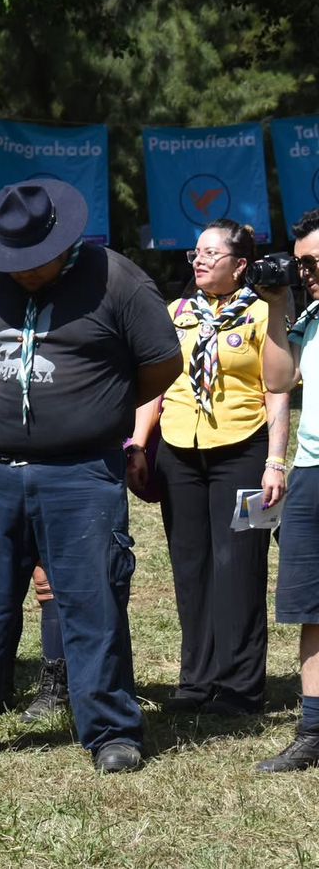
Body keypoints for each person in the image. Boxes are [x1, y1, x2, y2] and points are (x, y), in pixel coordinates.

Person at [0, 179, 181, 774]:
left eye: (34, 260)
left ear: (63, 242)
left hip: (82, 474)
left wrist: (96, 406)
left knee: (92, 602)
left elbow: (161, 364)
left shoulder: (118, 280)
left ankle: (110, 731)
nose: (22, 270)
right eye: (12, 260)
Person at [129, 219, 293, 717]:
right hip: (180, 452)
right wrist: (138, 442)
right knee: (191, 567)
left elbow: (277, 391)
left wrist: (275, 462)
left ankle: (240, 687)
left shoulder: (265, 312)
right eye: (194, 254)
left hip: (244, 452)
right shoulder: (175, 313)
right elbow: (156, 384)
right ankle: (196, 681)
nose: (198, 261)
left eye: (209, 254)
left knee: (240, 567)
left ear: (240, 265)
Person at [256, 209, 319, 772]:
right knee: (312, 607)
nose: (307, 274)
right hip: (312, 472)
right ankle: (314, 729)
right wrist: (278, 307)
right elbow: (278, 379)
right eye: (302, 265)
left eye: (316, 263)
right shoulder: (310, 315)